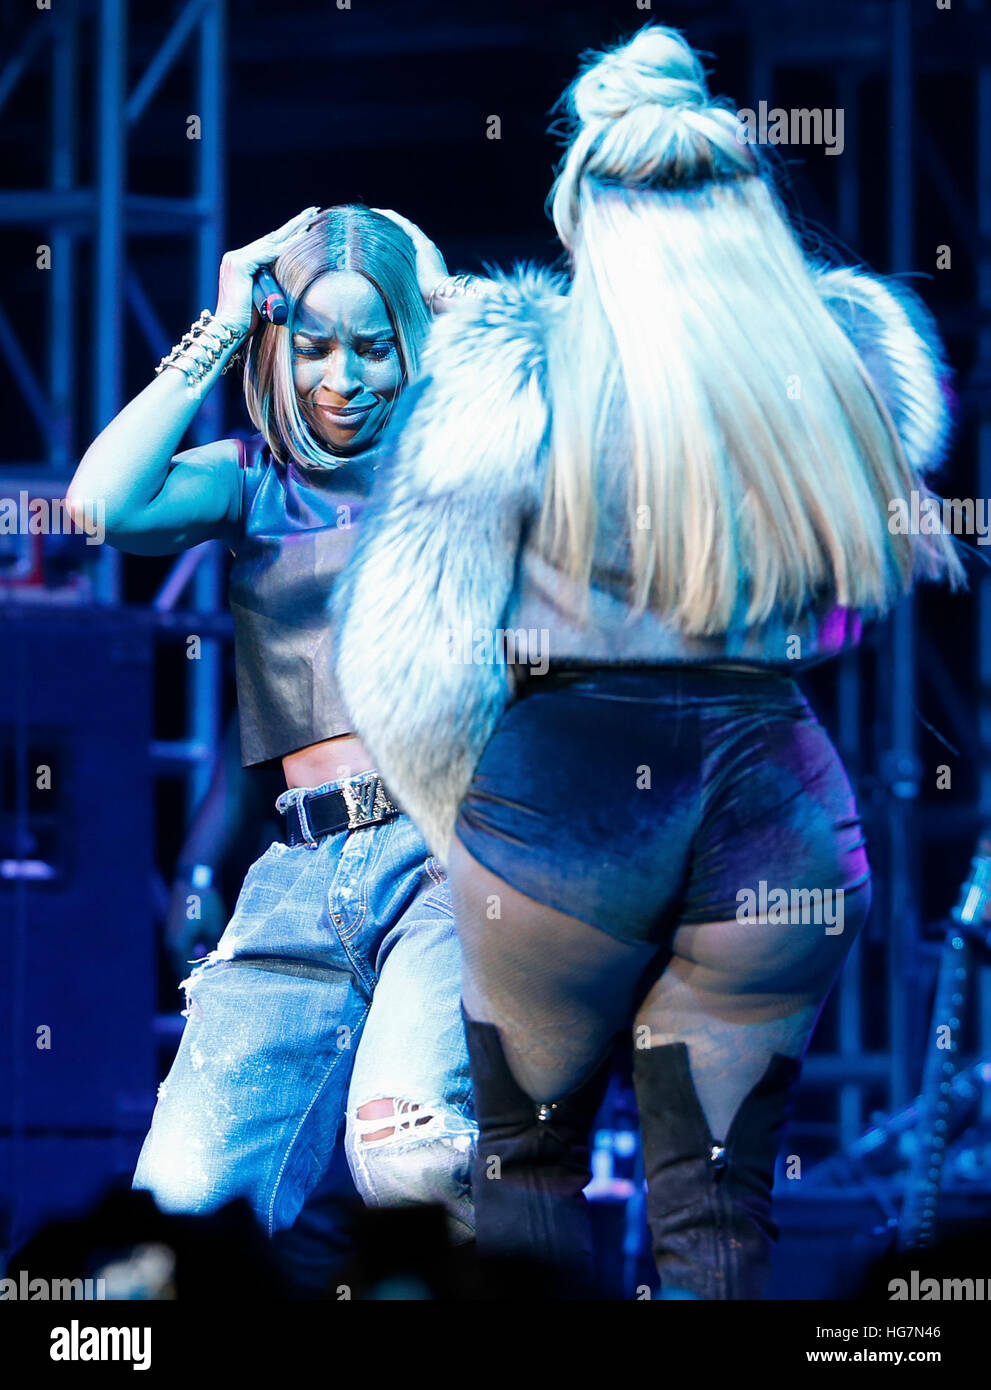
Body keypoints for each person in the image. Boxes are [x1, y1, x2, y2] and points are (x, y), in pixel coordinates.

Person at [330, 28, 964, 1298]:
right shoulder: (843, 362)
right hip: (777, 801)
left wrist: (475, 828)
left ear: (581, 209)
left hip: (565, 797)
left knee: (525, 1166)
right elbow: (858, 597)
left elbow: (407, 661)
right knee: (716, 1199)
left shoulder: (512, 361)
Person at [66, 203, 480, 1258]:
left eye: (375, 346)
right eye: (314, 347)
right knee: (170, 1223)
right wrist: (219, 324)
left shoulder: (465, 466)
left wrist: (452, 304)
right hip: (298, 872)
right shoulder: (253, 482)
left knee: (409, 1155)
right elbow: (98, 505)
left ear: (412, 344)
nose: (343, 377)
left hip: (448, 852)